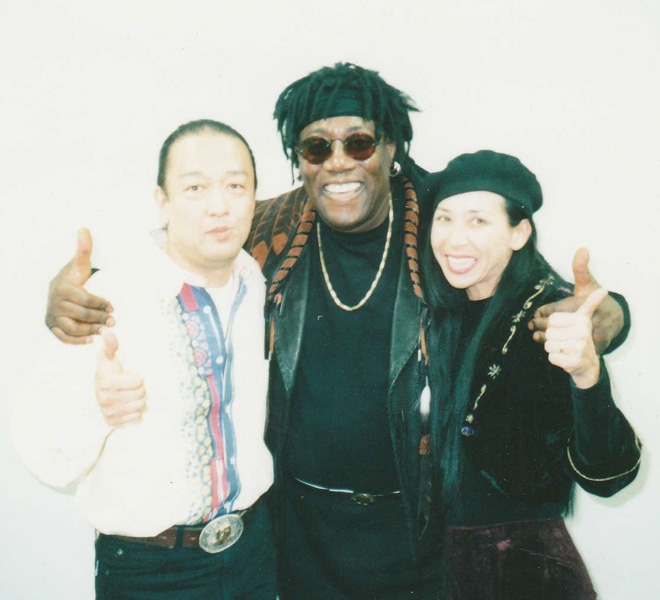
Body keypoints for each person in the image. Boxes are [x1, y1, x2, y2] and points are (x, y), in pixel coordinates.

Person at [42, 63, 630, 598]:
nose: (339, 162)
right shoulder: (270, 226)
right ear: (299, 158)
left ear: (391, 147)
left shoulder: (439, 216)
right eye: (317, 147)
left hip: (419, 537)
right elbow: (182, 257)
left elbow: (534, 288)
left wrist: (612, 317)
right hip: (300, 538)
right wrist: (79, 290)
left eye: (359, 142)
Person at [13, 120, 276, 599]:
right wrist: (97, 408)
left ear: (255, 196)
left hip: (252, 555)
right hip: (151, 572)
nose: (219, 205)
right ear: (163, 201)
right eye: (195, 188)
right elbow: (39, 448)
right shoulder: (109, 296)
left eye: (235, 186)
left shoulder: (256, 277)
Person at [420, 150, 641, 599]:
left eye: (478, 221)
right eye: (444, 219)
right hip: (440, 570)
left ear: (519, 232)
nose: (455, 239)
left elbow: (610, 475)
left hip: (525, 575)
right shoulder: (437, 306)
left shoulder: (552, 318)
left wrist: (587, 374)